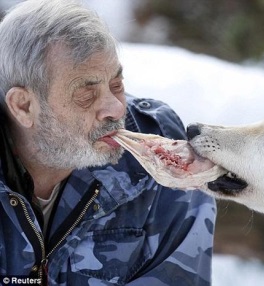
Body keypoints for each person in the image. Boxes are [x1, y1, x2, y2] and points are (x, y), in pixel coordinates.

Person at [0, 0, 216, 285]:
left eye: (117, 85)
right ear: (23, 106)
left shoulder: (156, 148)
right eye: (86, 95)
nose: (115, 109)